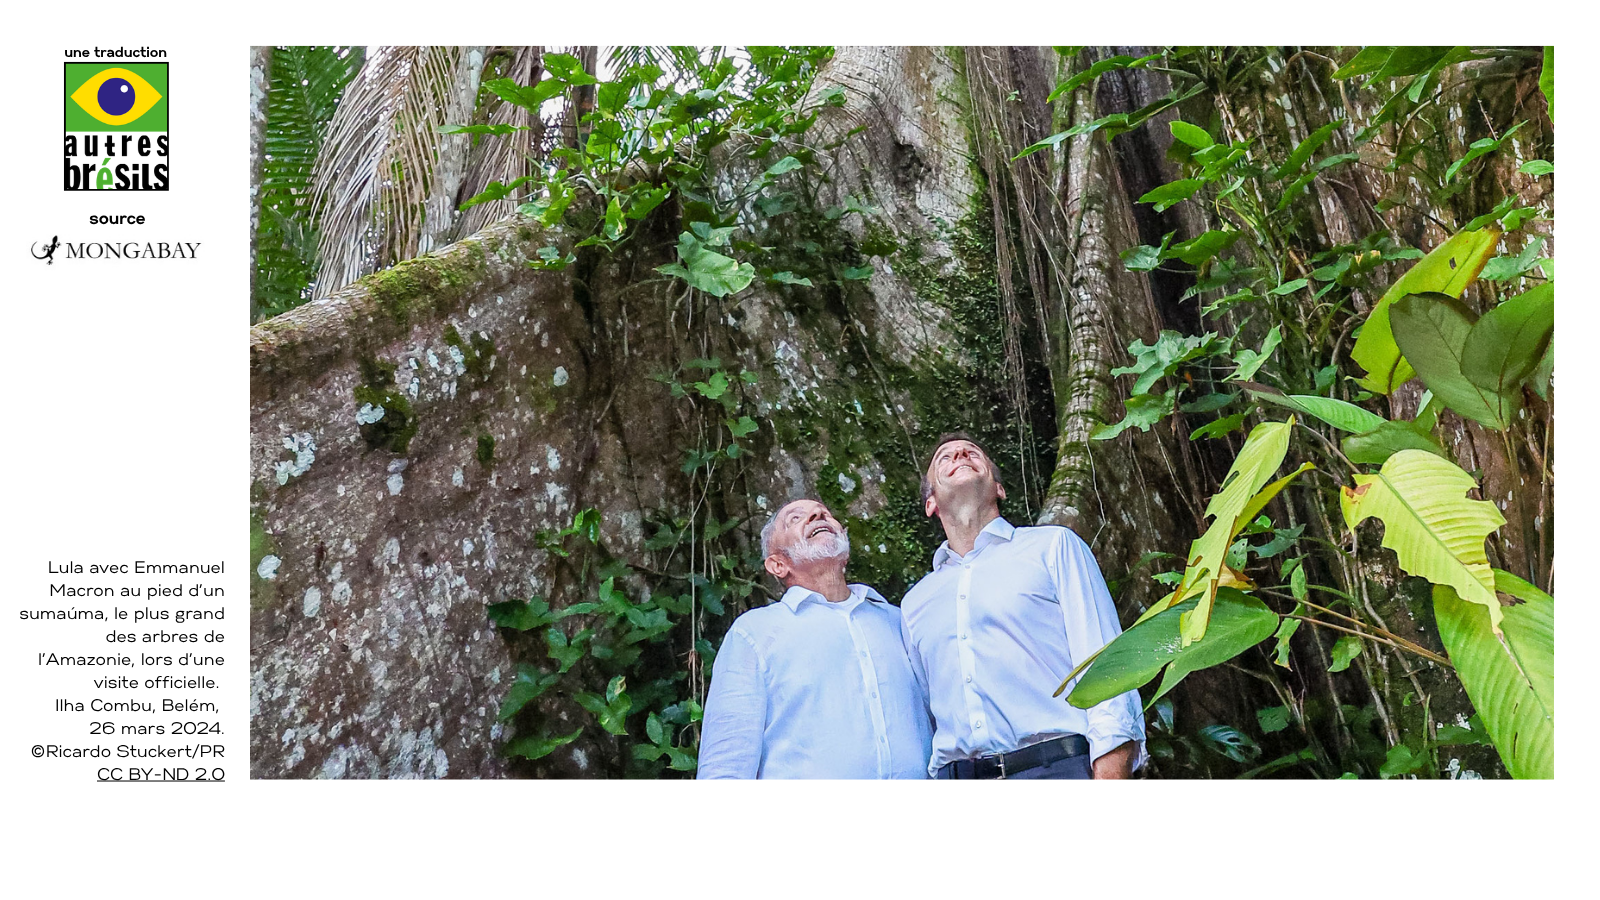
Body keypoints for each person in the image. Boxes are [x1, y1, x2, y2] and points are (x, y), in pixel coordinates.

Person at [900, 433, 1146, 780]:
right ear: (931, 504)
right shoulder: (915, 603)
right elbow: (926, 711)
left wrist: (1112, 770)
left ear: (999, 489)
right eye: (945, 457)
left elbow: (1105, 660)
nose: (960, 454)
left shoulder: (1052, 547)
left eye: (972, 453)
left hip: (1057, 768)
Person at [697, 498, 933, 779]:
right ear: (778, 564)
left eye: (825, 513)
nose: (817, 514)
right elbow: (724, 766)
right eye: (795, 518)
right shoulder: (754, 633)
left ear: (845, 551)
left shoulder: (899, 621)